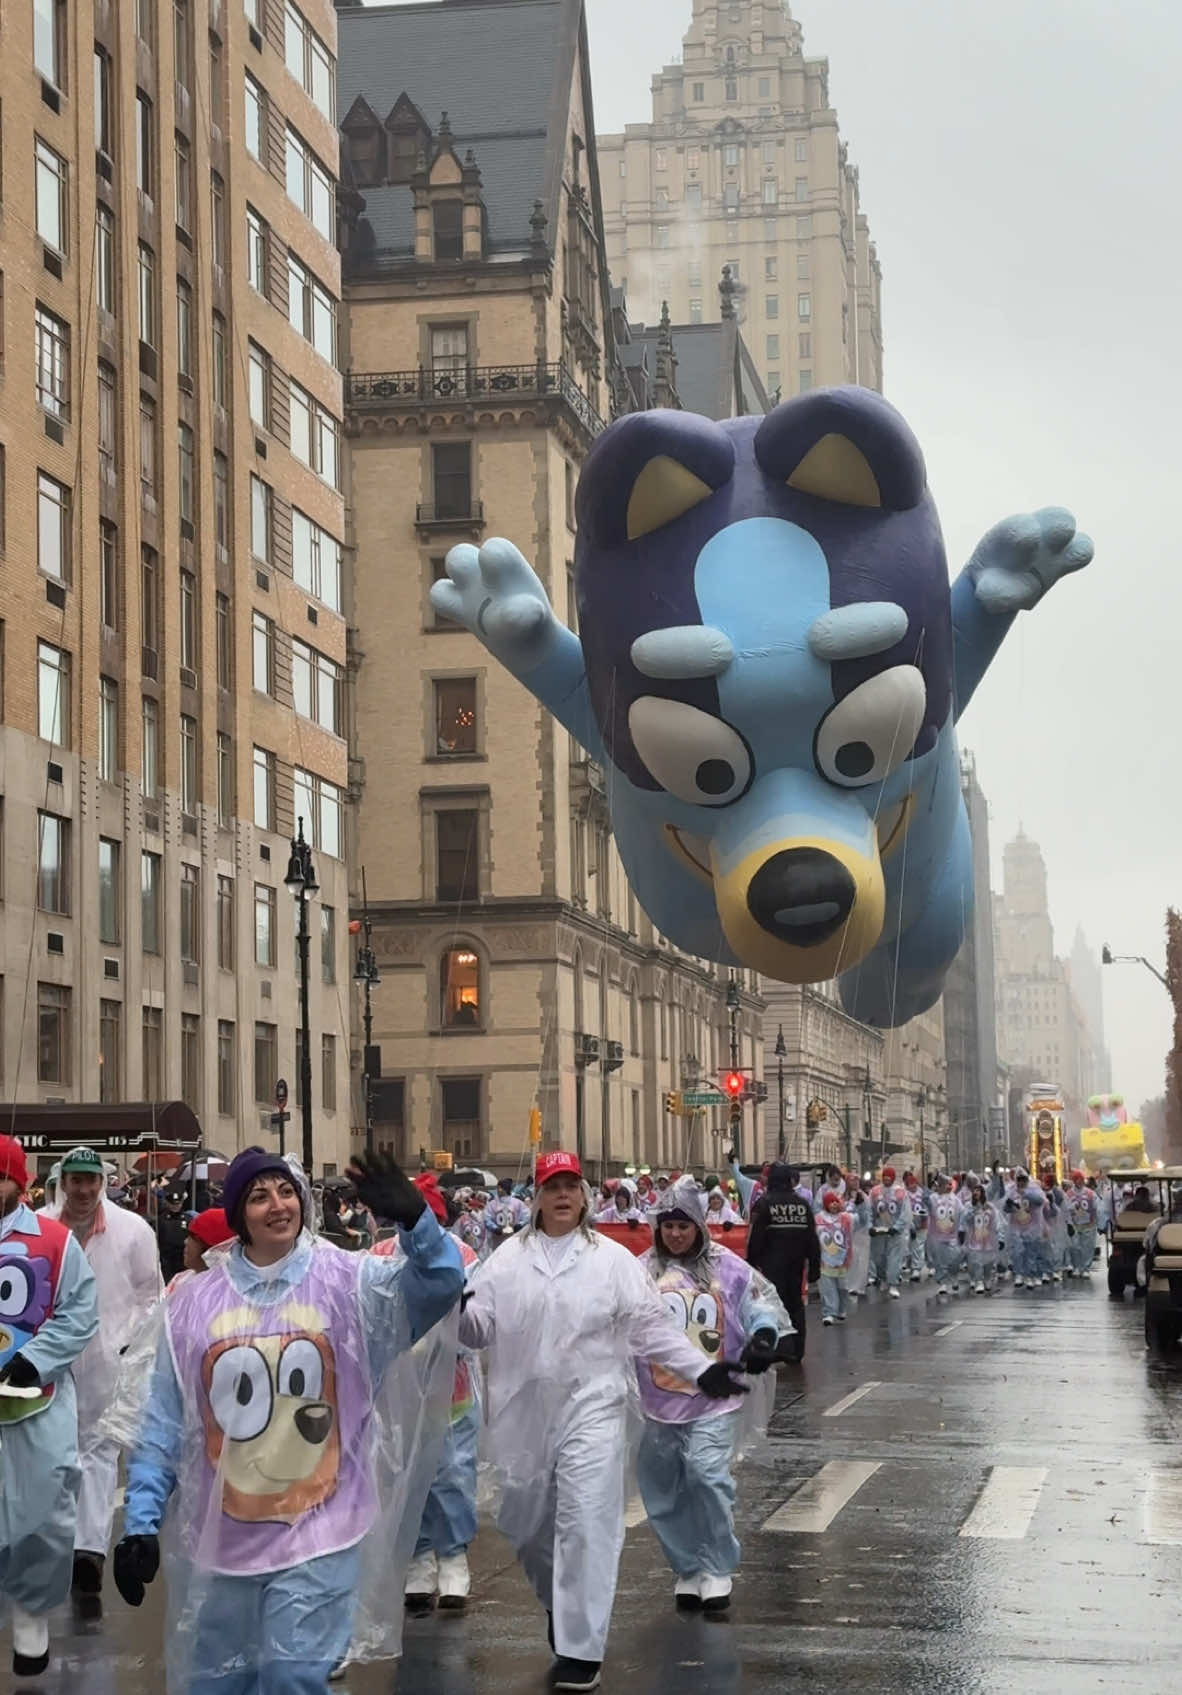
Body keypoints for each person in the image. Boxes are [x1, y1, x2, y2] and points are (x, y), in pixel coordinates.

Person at [113, 1147, 464, 1693]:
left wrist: (417, 1220)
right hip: (226, 1540)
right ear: (237, 1218)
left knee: (293, 1678)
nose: (277, 1205)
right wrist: (140, 1523)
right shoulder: (191, 1305)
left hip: (320, 1530)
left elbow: (440, 1285)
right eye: (258, 1196)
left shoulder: (350, 1283)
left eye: (285, 1191)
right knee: (218, 1684)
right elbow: (165, 1421)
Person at [459, 1151, 748, 1693]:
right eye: (553, 1186)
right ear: (537, 1197)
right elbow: (476, 1330)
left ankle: (580, 1648)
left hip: (594, 1406)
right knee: (525, 1523)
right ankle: (560, 1607)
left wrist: (701, 1370)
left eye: (572, 1185)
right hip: (522, 1412)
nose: (563, 1195)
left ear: (585, 1196)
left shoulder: (613, 1261)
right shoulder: (502, 1261)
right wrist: (451, 1303)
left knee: (586, 1522)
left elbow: (651, 1329)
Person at [634, 1178, 787, 1612]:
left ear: (700, 1226)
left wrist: (762, 1335)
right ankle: (687, 1567)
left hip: (716, 1398)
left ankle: (718, 1565)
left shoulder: (728, 1267)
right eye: (668, 1226)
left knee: (705, 1474)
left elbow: (760, 1304)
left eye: (684, 1225)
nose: (676, 1234)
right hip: (658, 1400)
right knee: (663, 1489)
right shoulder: (642, 1271)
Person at [39, 1145, 163, 1611]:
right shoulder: (40, 1228)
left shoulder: (134, 1231)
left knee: (98, 1450)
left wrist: (137, 1350)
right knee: (51, 1454)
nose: (84, 1190)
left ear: (104, 1182)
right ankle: (53, 1545)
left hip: (108, 1359)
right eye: (76, 1180)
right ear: (63, 1181)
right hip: (49, 1359)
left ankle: (88, 1552)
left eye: (92, 1181)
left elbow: (151, 1297)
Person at [0, 1137, 100, 1678]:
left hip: (32, 1403)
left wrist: (35, 1361)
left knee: (42, 1513)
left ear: (18, 1181)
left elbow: (80, 1311)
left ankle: (31, 1612)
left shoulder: (54, 1242)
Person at [372, 1177, 482, 1614]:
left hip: (449, 1389)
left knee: (452, 1473)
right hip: (396, 1394)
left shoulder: (464, 1254)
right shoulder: (379, 1257)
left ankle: (453, 1557)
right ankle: (418, 1558)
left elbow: (476, 1313)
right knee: (404, 1474)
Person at [745, 1163, 820, 1359]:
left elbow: (756, 1237)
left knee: (773, 1304)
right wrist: (814, 1267)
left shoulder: (764, 1203)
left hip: (772, 1264)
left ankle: (781, 1347)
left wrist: (751, 1263)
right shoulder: (803, 1205)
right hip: (796, 1265)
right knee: (795, 1305)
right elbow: (812, 1238)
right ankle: (797, 1349)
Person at [816, 1190, 864, 1324]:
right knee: (827, 1287)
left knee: (842, 1287)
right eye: (831, 1202)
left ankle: (841, 1310)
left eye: (836, 1202)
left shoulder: (846, 1218)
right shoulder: (818, 1219)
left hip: (842, 1259)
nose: (834, 1205)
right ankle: (828, 1313)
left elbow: (863, 1219)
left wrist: (861, 1205)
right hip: (824, 1260)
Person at [866, 1166, 912, 1299]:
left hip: (894, 1233)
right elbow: (869, 1211)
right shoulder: (875, 1192)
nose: (887, 1180)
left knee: (894, 1259)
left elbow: (905, 1212)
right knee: (879, 1259)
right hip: (879, 1232)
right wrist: (870, 1227)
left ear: (893, 1178)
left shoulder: (900, 1192)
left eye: (889, 1178)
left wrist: (897, 1228)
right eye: (884, 1178)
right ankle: (883, 1278)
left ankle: (893, 1284)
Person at [1003, 1170, 1046, 1288]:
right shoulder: (1011, 1191)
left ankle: (1031, 1275)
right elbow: (1005, 1209)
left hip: (1032, 1227)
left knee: (1031, 1252)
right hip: (1016, 1227)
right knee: (1017, 1252)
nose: (1021, 1183)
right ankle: (1019, 1274)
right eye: (1019, 1180)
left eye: (1023, 1180)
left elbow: (1040, 1201)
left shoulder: (1034, 1189)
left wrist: (1025, 1193)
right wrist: (1009, 1205)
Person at [926, 1176, 964, 1296]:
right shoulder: (933, 1198)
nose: (949, 1186)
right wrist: (930, 1187)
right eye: (946, 1184)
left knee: (954, 1260)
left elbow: (962, 1213)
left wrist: (962, 1230)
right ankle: (943, 1283)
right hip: (937, 1236)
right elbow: (925, 1202)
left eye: (950, 1184)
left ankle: (953, 1277)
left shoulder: (956, 1200)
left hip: (952, 1236)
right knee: (939, 1260)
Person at [1063, 1172, 1099, 1277]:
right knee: (1074, 1247)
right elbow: (1065, 1209)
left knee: (1087, 1247)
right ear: (1074, 1181)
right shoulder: (1068, 1194)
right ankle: (1077, 1267)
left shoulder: (1090, 1193)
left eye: (1081, 1179)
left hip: (1089, 1224)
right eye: (1077, 1180)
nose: (1080, 1182)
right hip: (1074, 1224)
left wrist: (1097, 1220)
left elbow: (1097, 1207)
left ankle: (1086, 1268)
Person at [903, 1171, 930, 1282]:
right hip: (910, 1224)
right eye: (909, 1184)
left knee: (918, 1246)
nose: (912, 1186)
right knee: (909, 1245)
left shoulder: (923, 1193)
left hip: (922, 1223)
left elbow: (929, 1204)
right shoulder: (905, 1195)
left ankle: (916, 1269)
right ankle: (908, 1264)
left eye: (913, 1183)